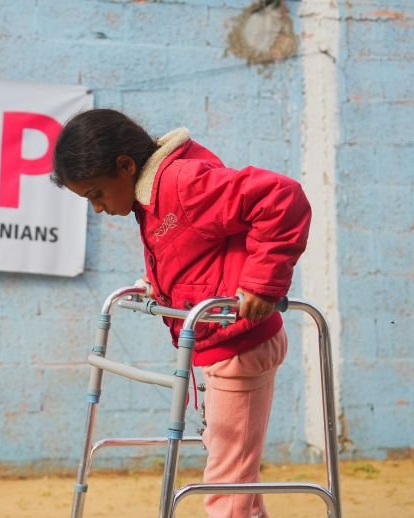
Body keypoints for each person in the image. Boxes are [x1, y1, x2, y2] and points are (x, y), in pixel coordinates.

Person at [51, 109, 311, 518]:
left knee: (226, 487)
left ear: (126, 166)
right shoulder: (153, 193)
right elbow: (194, 248)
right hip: (221, 344)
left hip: (239, 345)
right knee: (234, 471)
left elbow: (282, 198)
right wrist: (160, 285)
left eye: (96, 194)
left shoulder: (180, 182)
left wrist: (263, 283)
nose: (97, 208)